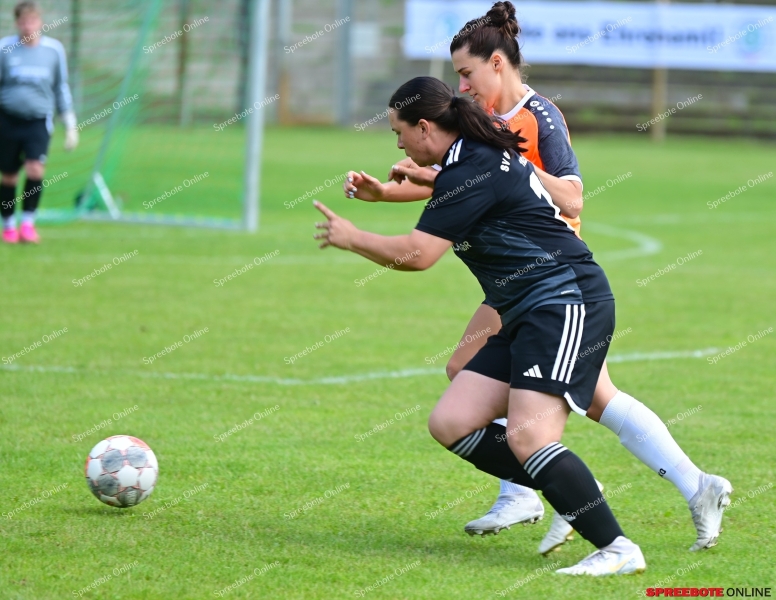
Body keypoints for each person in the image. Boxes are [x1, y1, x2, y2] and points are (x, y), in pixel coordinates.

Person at [343, 1, 730, 554]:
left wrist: (514, 169)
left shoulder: (537, 116)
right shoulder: (482, 124)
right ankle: (680, 486)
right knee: (579, 394)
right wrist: (395, 191)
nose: (463, 86)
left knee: (534, 396)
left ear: (497, 64)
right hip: (519, 275)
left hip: (549, 271)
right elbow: (466, 188)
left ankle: (556, 492)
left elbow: (569, 194)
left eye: (467, 73)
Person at [316, 75, 646, 576]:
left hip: (564, 298)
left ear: (425, 127)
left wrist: (352, 237)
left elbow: (419, 254)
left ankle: (619, 549)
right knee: (451, 422)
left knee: (528, 438)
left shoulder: (474, 163)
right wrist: (386, 194)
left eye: (398, 132)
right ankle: (571, 487)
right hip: (525, 306)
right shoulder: (469, 156)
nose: (398, 144)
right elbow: (453, 191)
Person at [0, 1, 78, 244]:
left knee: (35, 169)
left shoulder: (53, 51)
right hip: (8, 120)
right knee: (9, 176)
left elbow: (60, 87)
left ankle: (28, 224)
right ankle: (9, 226)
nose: (27, 26)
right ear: (17, 23)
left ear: (40, 22)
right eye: (23, 22)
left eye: (32, 21)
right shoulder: (5, 48)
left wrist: (70, 124)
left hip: (38, 121)